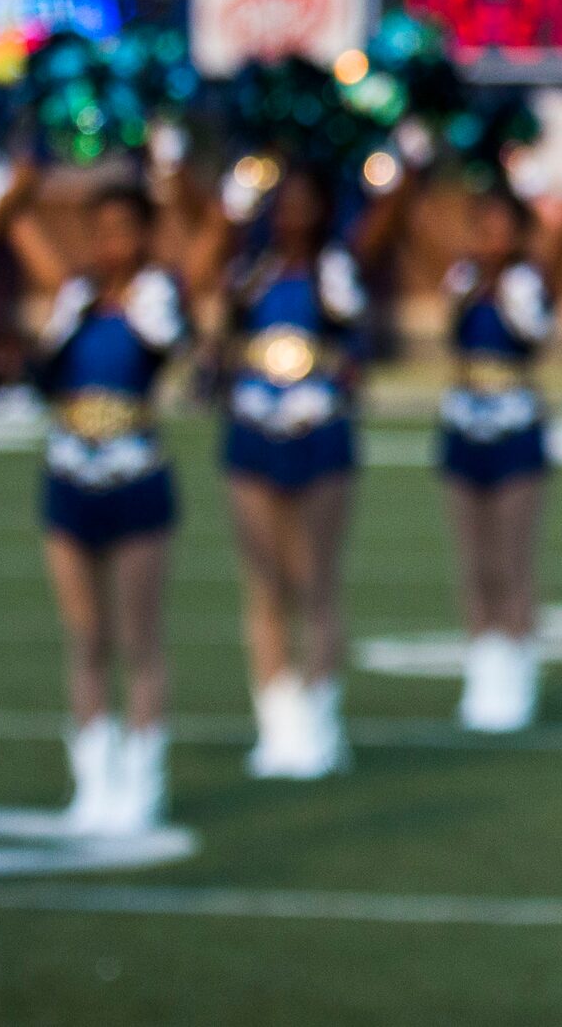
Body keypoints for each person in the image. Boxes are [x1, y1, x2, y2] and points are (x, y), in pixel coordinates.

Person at [187, 158, 407, 779]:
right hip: (254, 430)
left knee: (315, 578)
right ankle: (276, 718)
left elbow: (352, 332)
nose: (294, 215)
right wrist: (228, 211)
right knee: (264, 580)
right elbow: (198, 280)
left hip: (319, 432)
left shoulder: (336, 268)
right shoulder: (248, 270)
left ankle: (320, 715)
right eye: (284, 203)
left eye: (306, 203)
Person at [0, 176, 189, 834]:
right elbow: (46, 368)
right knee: (85, 637)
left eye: (124, 231)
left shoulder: (158, 296)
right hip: (70, 473)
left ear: (145, 236)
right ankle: (92, 776)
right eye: (99, 232)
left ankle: (143, 774)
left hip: (135, 475)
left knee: (138, 637)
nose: (111, 244)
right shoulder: (72, 298)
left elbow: (163, 348)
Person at [436, 185, 562, 733]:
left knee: (511, 557)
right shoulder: (461, 280)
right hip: (464, 420)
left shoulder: (527, 282)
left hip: (514, 424)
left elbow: (533, 337)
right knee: (474, 558)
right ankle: (482, 664)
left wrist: (503, 291)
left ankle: (517, 665)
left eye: (500, 227)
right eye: (481, 226)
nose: (489, 238)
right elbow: (450, 336)